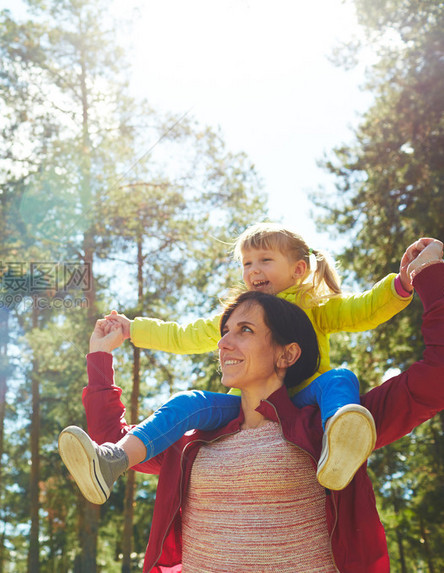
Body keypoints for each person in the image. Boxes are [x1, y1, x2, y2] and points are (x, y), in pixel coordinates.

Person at [59, 238, 444, 572]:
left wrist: (425, 274)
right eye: (225, 332)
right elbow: (115, 438)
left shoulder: (334, 430)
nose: (224, 343)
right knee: (183, 403)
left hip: (327, 426)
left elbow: (434, 375)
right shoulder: (192, 440)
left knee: (339, 381)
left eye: (245, 330)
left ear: (287, 353)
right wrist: (100, 356)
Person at [100, 222, 415, 492]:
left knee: (339, 379)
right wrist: (133, 329)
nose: (253, 270)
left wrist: (400, 285)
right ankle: (115, 458)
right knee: (188, 402)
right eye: (247, 263)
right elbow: (185, 335)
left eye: (265, 260)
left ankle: (340, 444)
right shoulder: (239, 313)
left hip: (303, 398)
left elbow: (362, 309)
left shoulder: (313, 306)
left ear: (298, 269)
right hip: (247, 405)